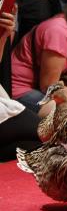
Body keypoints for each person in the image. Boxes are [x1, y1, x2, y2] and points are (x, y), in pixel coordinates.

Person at [0, 9, 41, 161]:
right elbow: (49, 83)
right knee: (46, 137)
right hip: (19, 94)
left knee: (35, 145)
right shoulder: (58, 30)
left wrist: (3, 35)